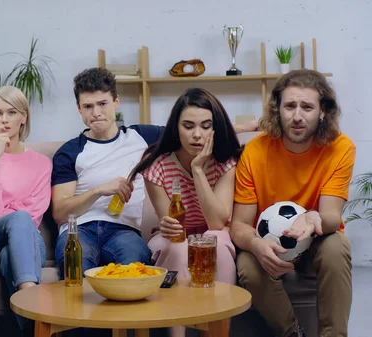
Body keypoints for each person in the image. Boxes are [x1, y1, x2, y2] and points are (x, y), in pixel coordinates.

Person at [230, 69, 355, 337]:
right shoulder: (255, 151)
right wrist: (255, 244)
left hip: (317, 240)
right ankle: (292, 333)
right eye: (290, 106)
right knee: (248, 266)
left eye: (307, 107)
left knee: (337, 246)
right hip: (270, 245)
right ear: (278, 110)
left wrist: (311, 218)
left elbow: (331, 216)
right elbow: (239, 225)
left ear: (323, 112)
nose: (297, 116)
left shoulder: (341, 148)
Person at [128, 87, 242, 337]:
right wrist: (167, 223)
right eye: (188, 126)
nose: (197, 135)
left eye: (205, 126)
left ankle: (217, 332)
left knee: (216, 244)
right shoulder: (157, 164)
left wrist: (198, 170)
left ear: (215, 128)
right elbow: (169, 223)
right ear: (176, 128)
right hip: (174, 236)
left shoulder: (225, 163)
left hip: (214, 233)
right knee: (178, 247)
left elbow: (215, 222)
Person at [51, 67, 165, 276]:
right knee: (77, 267)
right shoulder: (69, 152)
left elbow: (192, 131)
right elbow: (60, 214)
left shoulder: (142, 137)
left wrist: (242, 128)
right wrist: (98, 190)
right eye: (88, 106)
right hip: (79, 230)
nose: (96, 113)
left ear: (116, 102)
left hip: (123, 230)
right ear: (79, 109)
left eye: (102, 103)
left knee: (133, 269)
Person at [0, 86, 51, 333]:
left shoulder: (41, 164)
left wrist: (12, 214)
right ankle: (33, 298)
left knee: (10, 255)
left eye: (12, 112)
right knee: (18, 218)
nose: (4, 120)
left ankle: (33, 331)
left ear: (24, 117)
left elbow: (33, 215)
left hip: (26, 240)